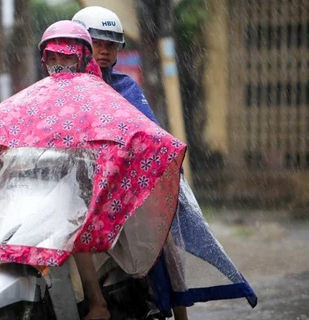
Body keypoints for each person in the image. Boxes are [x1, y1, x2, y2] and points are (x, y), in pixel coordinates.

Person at [73, 6, 257, 320]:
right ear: (78, 47)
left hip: (122, 187)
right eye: (96, 43)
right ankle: (95, 302)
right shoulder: (63, 91)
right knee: (71, 228)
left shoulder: (125, 88)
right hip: (77, 185)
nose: (103, 51)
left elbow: (151, 135)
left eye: (111, 44)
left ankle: (174, 312)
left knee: (164, 235)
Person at [38, 20, 109, 320]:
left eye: (66, 57)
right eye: (52, 57)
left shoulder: (100, 96)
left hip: (86, 189)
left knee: (74, 227)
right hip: (43, 188)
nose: (59, 64)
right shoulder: (35, 97)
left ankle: (98, 303)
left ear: (81, 58)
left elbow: (112, 136)